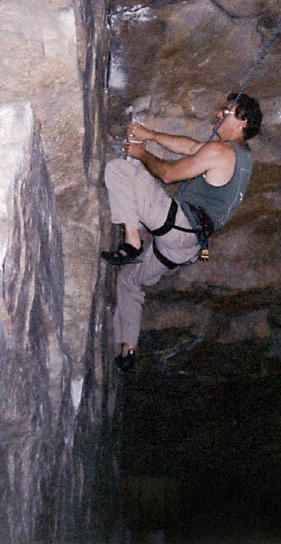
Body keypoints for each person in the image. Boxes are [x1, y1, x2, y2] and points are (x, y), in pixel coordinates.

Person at [101, 93, 262, 372]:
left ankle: (132, 240)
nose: (218, 115)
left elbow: (167, 174)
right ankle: (128, 348)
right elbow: (191, 148)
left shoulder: (222, 152)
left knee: (120, 170)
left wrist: (141, 152)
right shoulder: (242, 156)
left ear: (242, 121)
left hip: (179, 227)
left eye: (226, 111)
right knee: (129, 280)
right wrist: (149, 134)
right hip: (185, 248)